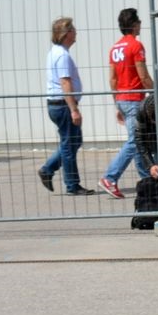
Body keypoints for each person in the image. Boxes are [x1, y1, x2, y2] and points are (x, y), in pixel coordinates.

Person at [37, 16, 93, 195]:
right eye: (73, 30)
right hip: (63, 105)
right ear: (66, 33)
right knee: (69, 145)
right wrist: (74, 109)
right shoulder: (61, 55)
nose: (76, 32)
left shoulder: (56, 52)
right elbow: (65, 83)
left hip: (60, 104)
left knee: (73, 142)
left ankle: (48, 169)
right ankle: (72, 185)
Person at [100, 7, 152, 199]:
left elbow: (112, 79)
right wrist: (156, 93)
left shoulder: (115, 48)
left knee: (140, 140)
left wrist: (117, 102)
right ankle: (110, 177)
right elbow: (143, 76)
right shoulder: (136, 46)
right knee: (135, 141)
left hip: (122, 97)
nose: (141, 25)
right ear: (134, 24)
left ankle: (147, 178)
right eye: (139, 21)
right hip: (134, 98)